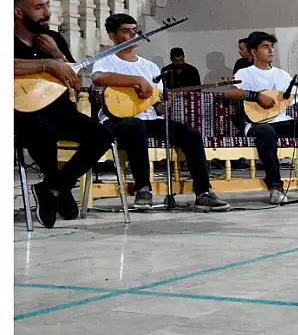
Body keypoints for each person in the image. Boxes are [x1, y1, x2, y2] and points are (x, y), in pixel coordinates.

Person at [91, 13, 230, 212]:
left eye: (134, 30)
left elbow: (158, 107)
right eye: (125, 31)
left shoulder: (150, 66)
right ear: (112, 36)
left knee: (190, 134)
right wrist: (137, 81)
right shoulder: (106, 60)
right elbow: (98, 78)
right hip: (117, 120)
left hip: (148, 118)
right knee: (135, 125)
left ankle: (203, 192)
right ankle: (143, 189)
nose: (133, 35)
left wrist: (165, 103)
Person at [13, 0, 114, 228]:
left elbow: (77, 83)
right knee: (41, 128)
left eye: (46, 5)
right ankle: (59, 189)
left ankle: (53, 187)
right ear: (18, 12)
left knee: (101, 134)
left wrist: (58, 54)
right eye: (39, 7)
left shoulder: (54, 38)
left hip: (61, 111)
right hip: (21, 114)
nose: (46, 12)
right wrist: (47, 65)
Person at [225, 31, 298, 204]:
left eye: (271, 47)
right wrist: (257, 96)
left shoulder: (282, 75)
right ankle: (275, 185)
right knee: (266, 131)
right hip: (257, 124)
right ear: (254, 52)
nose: (271, 51)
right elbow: (230, 92)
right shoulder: (245, 73)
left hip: (282, 122)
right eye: (265, 47)